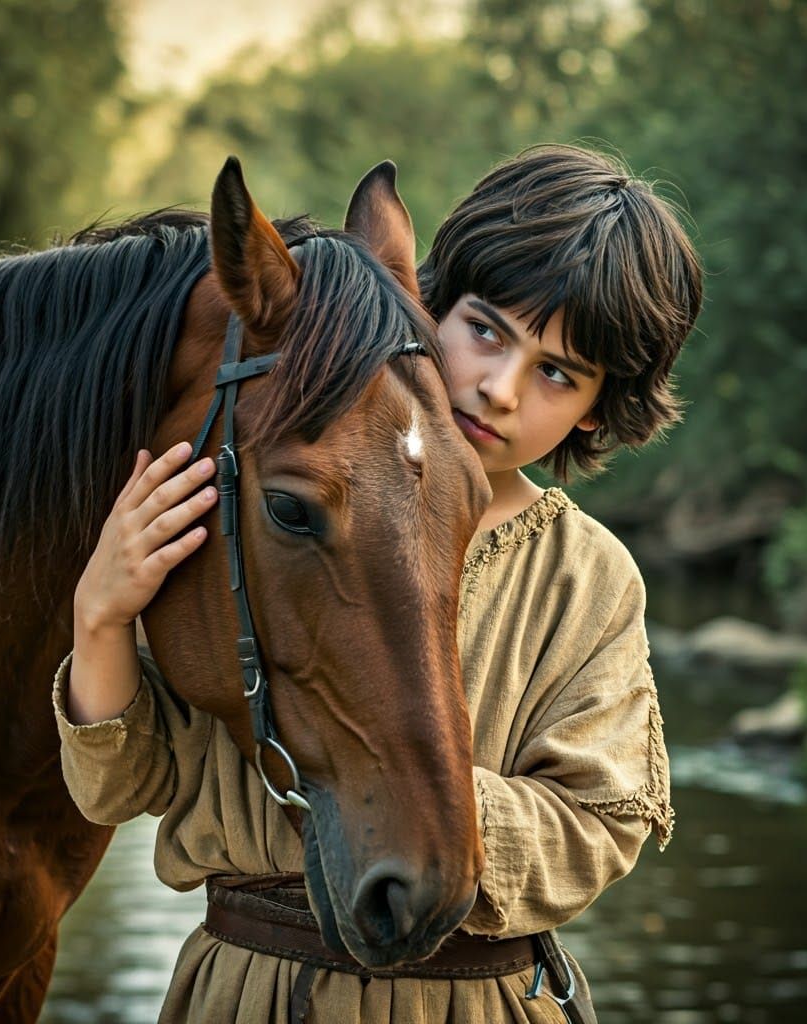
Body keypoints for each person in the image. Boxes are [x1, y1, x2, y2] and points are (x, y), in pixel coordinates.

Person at [53, 143, 703, 1023]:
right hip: (244, 992)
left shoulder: (584, 576)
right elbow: (123, 787)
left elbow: (598, 824)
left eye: (556, 372)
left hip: (473, 1002)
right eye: (486, 331)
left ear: (597, 407)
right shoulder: (281, 511)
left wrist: (406, 804)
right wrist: (100, 617)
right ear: (428, 304)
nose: (499, 388)